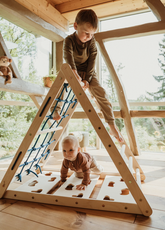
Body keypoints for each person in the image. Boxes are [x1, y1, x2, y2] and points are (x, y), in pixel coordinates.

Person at [51, 9, 123, 142]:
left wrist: (87, 80)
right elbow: (68, 56)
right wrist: (74, 73)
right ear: (75, 26)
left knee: (101, 93)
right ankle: (56, 109)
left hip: (88, 72)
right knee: (61, 84)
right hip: (71, 69)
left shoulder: (92, 42)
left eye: (92, 34)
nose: (89, 36)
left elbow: (92, 62)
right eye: (86, 33)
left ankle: (112, 125)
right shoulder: (69, 40)